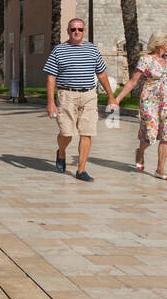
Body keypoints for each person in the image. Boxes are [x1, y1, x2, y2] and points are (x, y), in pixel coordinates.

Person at [44, 19, 117, 182]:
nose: (76, 32)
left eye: (80, 29)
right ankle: (61, 152)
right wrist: (50, 102)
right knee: (66, 133)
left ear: (84, 31)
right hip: (66, 95)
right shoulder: (58, 50)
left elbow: (102, 74)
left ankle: (81, 170)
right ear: (68, 31)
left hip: (89, 95)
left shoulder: (92, 49)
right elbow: (51, 78)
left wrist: (111, 96)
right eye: (73, 29)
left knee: (87, 132)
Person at [109, 31, 167, 181]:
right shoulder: (146, 60)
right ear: (161, 43)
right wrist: (117, 99)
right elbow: (132, 82)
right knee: (150, 134)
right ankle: (140, 152)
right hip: (149, 101)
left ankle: (160, 169)